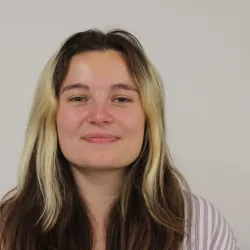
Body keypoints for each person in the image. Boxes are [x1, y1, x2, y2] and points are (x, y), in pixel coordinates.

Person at [0, 29, 239, 250]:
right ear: (50, 116)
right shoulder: (6, 228)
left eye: (121, 99)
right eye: (79, 98)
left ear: (148, 118)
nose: (99, 116)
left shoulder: (200, 226)